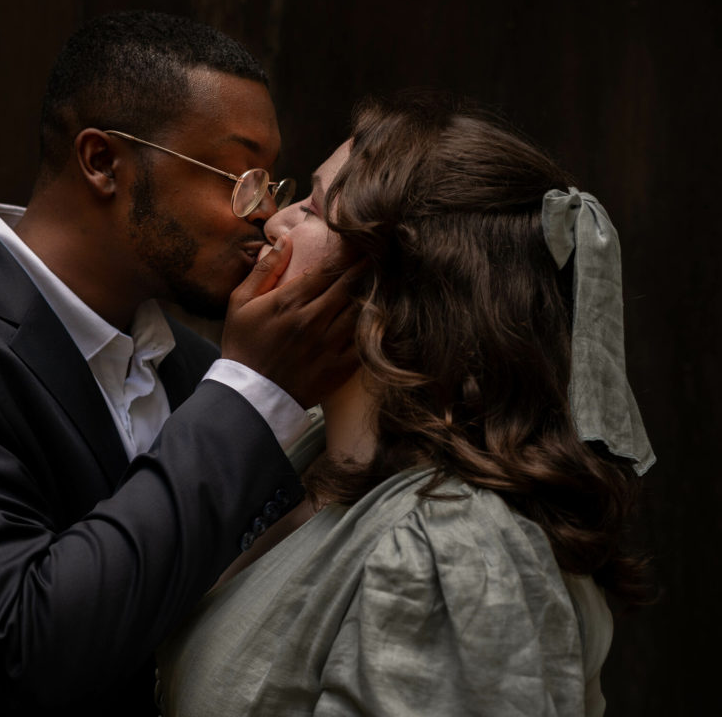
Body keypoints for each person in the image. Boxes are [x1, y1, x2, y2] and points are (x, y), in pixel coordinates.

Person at [0, 11, 359, 716]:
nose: (263, 216)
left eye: (271, 184)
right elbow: (24, 646)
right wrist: (249, 396)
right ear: (102, 161)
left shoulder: (195, 366)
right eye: (238, 175)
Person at [156, 92, 655, 717]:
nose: (275, 220)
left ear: (395, 283)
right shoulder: (309, 463)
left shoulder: (454, 549)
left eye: (312, 208)